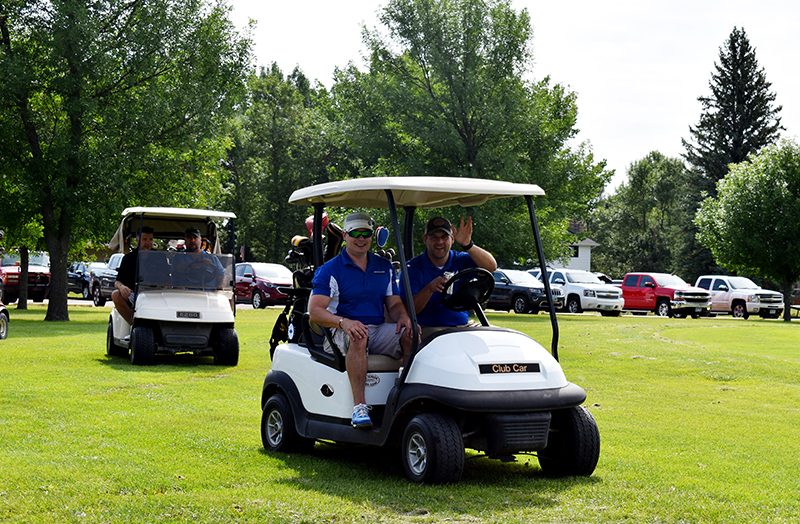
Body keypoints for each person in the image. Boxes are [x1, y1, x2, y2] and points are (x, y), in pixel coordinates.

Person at [308, 212, 414, 429]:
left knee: (411, 334)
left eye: (366, 233)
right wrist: (344, 322)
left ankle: (406, 397)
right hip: (339, 330)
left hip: (376, 329)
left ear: (372, 236)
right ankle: (359, 407)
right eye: (355, 233)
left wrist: (404, 317)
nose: (361, 238)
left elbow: (394, 305)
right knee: (359, 334)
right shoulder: (330, 270)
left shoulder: (383, 266)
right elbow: (315, 311)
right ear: (345, 236)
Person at [403, 216, 497, 339]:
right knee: (447, 343)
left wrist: (468, 245)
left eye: (444, 237)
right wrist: (429, 289)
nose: (440, 242)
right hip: (429, 327)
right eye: (434, 237)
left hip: (462, 326)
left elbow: (491, 267)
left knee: (496, 337)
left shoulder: (461, 260)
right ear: (425, 240)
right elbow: (408, 310)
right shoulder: (412, 268)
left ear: (452, 239)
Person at [112, 226, 155, 324]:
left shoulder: (159, 258)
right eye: (144, 239)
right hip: (134, 294)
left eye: (150, 239)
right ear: (137, 240)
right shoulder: (128, 258)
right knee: (115, 295)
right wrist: (121, 287)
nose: (148, 243)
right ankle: (133, 324)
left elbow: (167, 280)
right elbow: (117, 281)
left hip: (155, 294)